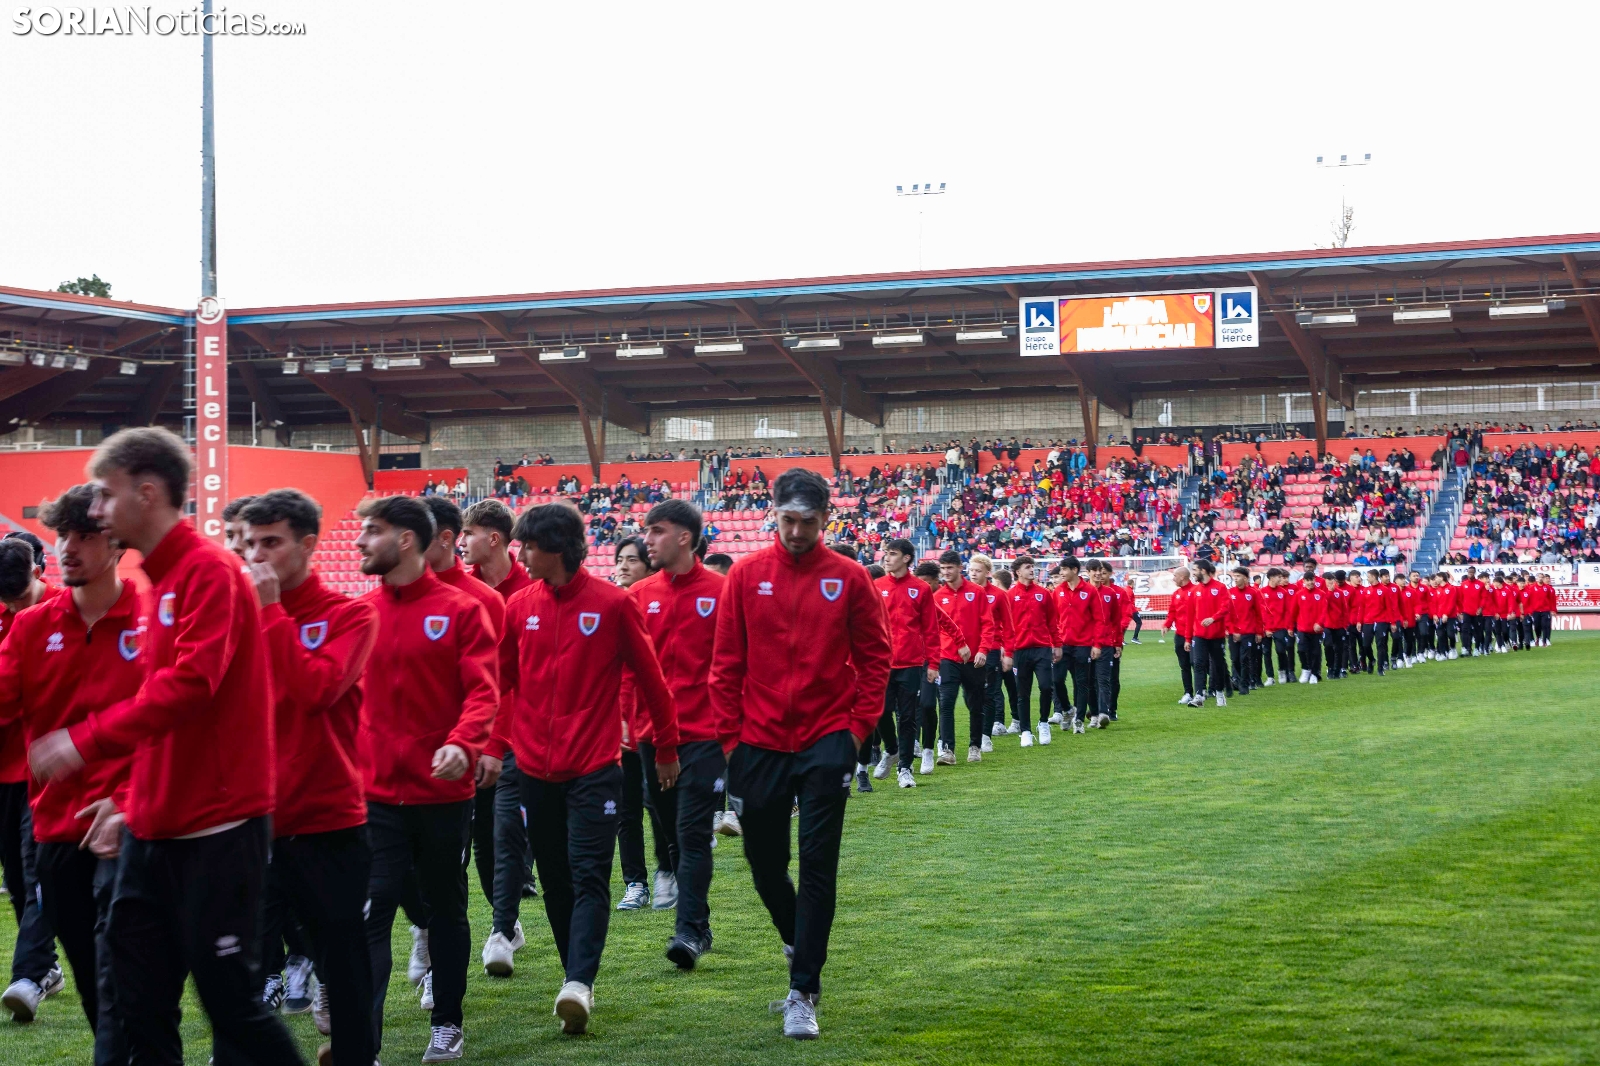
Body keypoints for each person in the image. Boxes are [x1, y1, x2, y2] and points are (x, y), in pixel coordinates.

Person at [28, 426, 303, 1065]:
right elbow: (165, 710)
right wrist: (131, 800)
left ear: (147, 493)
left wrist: (85, 740)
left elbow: (189, 688)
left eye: (106, 494)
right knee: (134, 1002)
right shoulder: (164, 581)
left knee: (231, 1006)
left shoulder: (209, 571)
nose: (97, 509)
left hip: (217, 829)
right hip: (155, 830)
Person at [708, 468, 890, 1039]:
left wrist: (854, 733)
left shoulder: (850, 577)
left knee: (817, 865)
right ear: (774, 514)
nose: (795, 532)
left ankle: (803, 989)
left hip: (827, 741)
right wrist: (732, 741)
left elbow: (875, 659)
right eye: (787, 520)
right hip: (756, 743)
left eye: (806, 522)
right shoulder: (746, 575)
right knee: (765, 865)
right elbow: (725, 662)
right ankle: (798, 941)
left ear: (825, 519)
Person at [499, 503, 680, 1034]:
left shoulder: (614, 604)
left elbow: (652, 680)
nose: (521, 555)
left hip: (596, 767)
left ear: (556, 547)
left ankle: (579, 982)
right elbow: (498, 683)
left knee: (589, 875)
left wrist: (666, 748)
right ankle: (573, 978)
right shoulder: (519, 607)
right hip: (534, 770)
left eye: (529, 546)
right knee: (555, 880)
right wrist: (487, 745)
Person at [356, 494, 498, 1063]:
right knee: (372, 912)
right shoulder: (360, 613)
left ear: (406, 540)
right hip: (374, 796)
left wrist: (463, 742)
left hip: (442, 796)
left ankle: (448, 1022)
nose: (361, 541)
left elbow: (484, 691)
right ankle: (361, 1044)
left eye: (373, 531)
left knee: (445, 910)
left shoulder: (461, 610)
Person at [241, 490, 380, 1066]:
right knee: (239, 967)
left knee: (342, 964)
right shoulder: (239, 617)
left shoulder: (350, 615)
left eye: (271, 542)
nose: (257, 556)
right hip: (249, 820)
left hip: (327, 818)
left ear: (308, 544)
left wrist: (271, 614)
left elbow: (315, 689)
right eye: (250, 543)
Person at [0, 485, 134, 1059]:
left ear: (118, 543)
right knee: (92, 978)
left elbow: (179, 721)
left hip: (131, 824)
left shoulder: (154, 622)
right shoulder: (32, 628)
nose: (69, 547)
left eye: (86, 535)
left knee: (123, 962)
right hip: (56, 828)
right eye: (62, 536)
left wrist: (133, 796)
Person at [633, 499, 725, 969]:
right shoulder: (638, 594)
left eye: (656, 531)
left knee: (691, 833)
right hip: (651, 736)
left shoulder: (723, 592)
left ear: (684, 537)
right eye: (646, 531)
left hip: (705, 735)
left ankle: (688, 931)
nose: (647, 540)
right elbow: (627, 667)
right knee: (672, 834)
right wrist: (626, 719)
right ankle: (699, 922)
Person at [459, 499, 537, 978]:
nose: (461, 542)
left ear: (493, 538)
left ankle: (501, 928)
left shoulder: (529, 592)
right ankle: (505, 921)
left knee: (503, 832)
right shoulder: (459, 590)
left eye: (468, 533)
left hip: (517, 737)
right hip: (468, 733)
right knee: (481, 843)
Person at [0, 535, 65, 1022]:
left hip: (46, 769)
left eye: (19, 596)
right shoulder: (10, 615)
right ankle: (46, 966)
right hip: (7, 768)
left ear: (40, 573)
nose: (14, 607)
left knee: (37, 870)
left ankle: (29, 973)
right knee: (19, 879)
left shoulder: (64, 611)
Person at [611, 537, 676, 913]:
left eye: (631, 560)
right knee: (627, 807)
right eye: (619, 559)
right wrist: (619, 717)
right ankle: (635, 882)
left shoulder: (656, 607)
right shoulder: (613, 607)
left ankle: (668, 868)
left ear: (649, 567)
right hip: (623, 722)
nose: (622, 566)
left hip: (655, 723)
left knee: (658, 803)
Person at [873, 539, 941, 786]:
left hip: (911, 663)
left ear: (906, 558)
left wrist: (933, 663)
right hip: (881, 663)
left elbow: (930, 629)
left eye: (892, 554)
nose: (887, 558)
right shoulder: (877, 586)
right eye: (886, 553)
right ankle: (891, 750)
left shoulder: (921, 588)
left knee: (908, 717)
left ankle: (905, 768)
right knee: (879, 712)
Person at [932, 550, 995, 764]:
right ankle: (947, 750)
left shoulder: (977, 592)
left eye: (950, 568)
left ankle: (974, 746)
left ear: (960, 568)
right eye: (943, 568)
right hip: (948, 657)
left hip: (974, 659)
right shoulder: (937, 597)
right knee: (946, 702)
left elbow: (988, 624)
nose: (946, 572)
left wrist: (983, 650)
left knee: (975, 704)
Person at [1004, 555, 1060, 746]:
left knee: (1046, 686)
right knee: (1022, 693)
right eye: (1027, 567)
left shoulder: (1043, 593)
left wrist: (1057, 644)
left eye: (1032, 566)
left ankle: (1043, 722)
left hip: (1042, 648)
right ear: (1018, 572)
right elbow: (1006, 627)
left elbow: (1052, 622)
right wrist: (1008, 652)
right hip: (1020, 650)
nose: (1032, 570)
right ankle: (1025, 730)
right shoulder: (1010, 595)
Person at [1185, 559, 1230, 706]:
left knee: (1217, 665)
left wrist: (1213, 618)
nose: (1193, 573)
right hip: (1199, 635)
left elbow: (1226, 607)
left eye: (1195, 570)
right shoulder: (1194, 591)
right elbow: (1190, 616)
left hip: (1217, 635)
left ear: (1203, 570)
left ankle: (1219, 692)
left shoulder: (1220, 587)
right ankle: (1199, 695)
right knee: (1198, 663)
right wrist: (1188, 638)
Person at [1163, 567, 1197, 703]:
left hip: (1195, 635)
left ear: (1182, 577)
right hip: (1180, 634)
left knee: (1197, 664)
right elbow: (1172, 612)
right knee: (1184, 665)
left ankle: (1204, 690)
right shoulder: (1176, 593)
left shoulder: (1195, 591)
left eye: (1175, 576)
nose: (1173, 579)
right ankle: (1188, 692)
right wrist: (1167, 625)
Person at [1226, 567, 1260, 696]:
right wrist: (1231, 630)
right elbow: (1227, 614)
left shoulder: (1253, 593)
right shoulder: (1230, 593)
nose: (1235, 578)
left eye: (1238, 576)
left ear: (1245, 578)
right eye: (1234, 576)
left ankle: (1244, 685)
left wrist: (1259, 632)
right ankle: (1238, 680)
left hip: (1248, 632)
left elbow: (1258, 613)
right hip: (1233, 633)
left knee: (1245, 659)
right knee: (1235, 659)